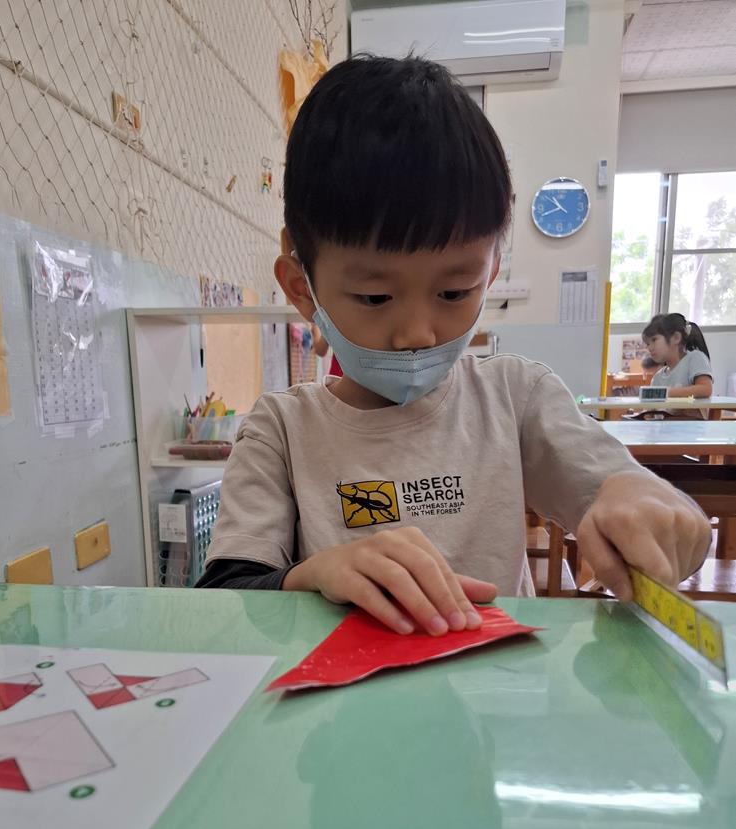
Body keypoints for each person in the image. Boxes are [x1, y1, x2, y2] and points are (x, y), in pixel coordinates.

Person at [196, 55, 710, 632]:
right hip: (348, 689)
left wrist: (659, 513)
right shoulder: (282, 431)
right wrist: (313, 574)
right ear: (301, 288)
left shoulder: (516, 398)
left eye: (454, 291)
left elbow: (621, 489)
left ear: (491, 272)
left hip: (496, 686)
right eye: (375, 296)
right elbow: (226, 600)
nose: (418, 333)